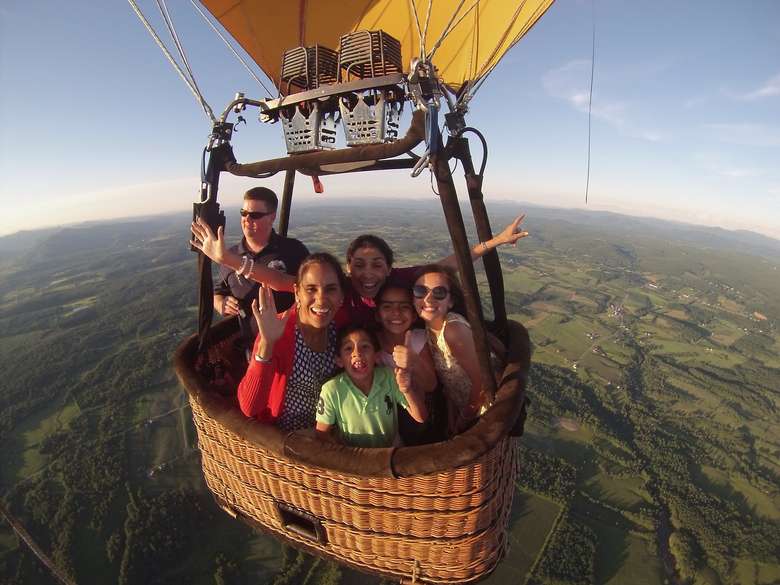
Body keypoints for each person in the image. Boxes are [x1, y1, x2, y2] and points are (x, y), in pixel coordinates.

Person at [342, 215, 528, 325]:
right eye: (359, 265)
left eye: (377, 265)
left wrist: (497, 240)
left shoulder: (399, 280)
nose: (368, 273)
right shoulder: (337, 289)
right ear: (348, 268)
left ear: (389, 269)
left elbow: (449, 265)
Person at [236, 253, 345, 431]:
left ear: (341, 295)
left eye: (331, 289)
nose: (321, 298)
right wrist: (267, 343)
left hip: (330, 431)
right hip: (287, 439)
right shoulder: (279, 332)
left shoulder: (339, 325)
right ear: (297, 292)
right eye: (311, 289)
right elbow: (250, 407)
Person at [190, 187, 309, 346]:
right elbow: (219, 291)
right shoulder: (230, 254)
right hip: (250, 345)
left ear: (272, 217)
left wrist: (229, 259)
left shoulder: (293, 250)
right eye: (243, 213)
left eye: (255, 215)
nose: (247, 218)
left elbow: (304, 287)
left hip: (293, 341)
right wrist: (221, 303)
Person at [315, 325, 427, 447]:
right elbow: (322, 435)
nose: (357, 353)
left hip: (392, 452)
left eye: (365, 346)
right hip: (354, 458)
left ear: (377, 356)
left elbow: (421, 417)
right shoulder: (331, 390)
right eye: (348, 348)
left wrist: (407, 390)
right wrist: (347, 455)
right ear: (339, 360)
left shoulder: (389, 376)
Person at [412, 265, 484, 437]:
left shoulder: (453, 331)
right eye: (420, 290)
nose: (428, 299)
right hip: (465, 408)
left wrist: (465, 418)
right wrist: (453, 413)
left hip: (484, 413)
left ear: (451, 301)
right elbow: (450, 381)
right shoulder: (429, 329)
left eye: (439, 293)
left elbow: (482, 382)